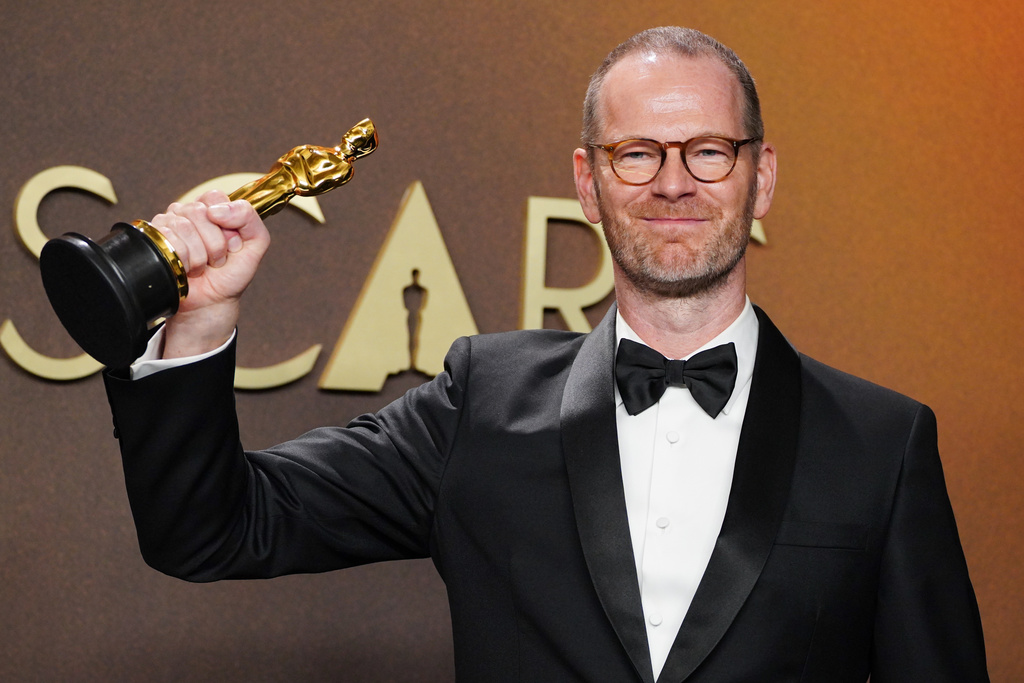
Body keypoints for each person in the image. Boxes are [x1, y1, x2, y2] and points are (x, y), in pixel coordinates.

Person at [103, 27, 989, 682]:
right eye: (636, 153)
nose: (673, 182)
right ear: (587, 184)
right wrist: (202, 323)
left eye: (709, 151)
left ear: (762, 177)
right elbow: (210, 530)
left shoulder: (884, 443)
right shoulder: (476, 405)